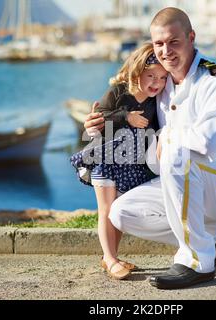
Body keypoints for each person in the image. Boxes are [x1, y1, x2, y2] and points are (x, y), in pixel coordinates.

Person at [84, 7, 216, 289]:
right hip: (190, 178)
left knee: (177, 151)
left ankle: (196, 261)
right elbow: (128, 114)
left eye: (174, 41)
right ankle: (211, 233)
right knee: (121, 213)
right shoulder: (162, 82)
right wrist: (97, 126)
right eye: (158, 43)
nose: (166, 51)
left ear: (191, 37)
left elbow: (207, 143)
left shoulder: (213, 79)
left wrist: (167, 138)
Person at [71, 43, 168, 280]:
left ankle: (110, 257)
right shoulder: (118, 91)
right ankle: (111, 259)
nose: (157, 82)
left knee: (119, 210)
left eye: (163, 77)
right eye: (151, 76)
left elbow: (154, 129)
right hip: (106, 157)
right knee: (105, 209)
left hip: (131, 162)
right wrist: (126, 117)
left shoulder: (154, 102)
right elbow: (99, 116)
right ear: (137, 72)